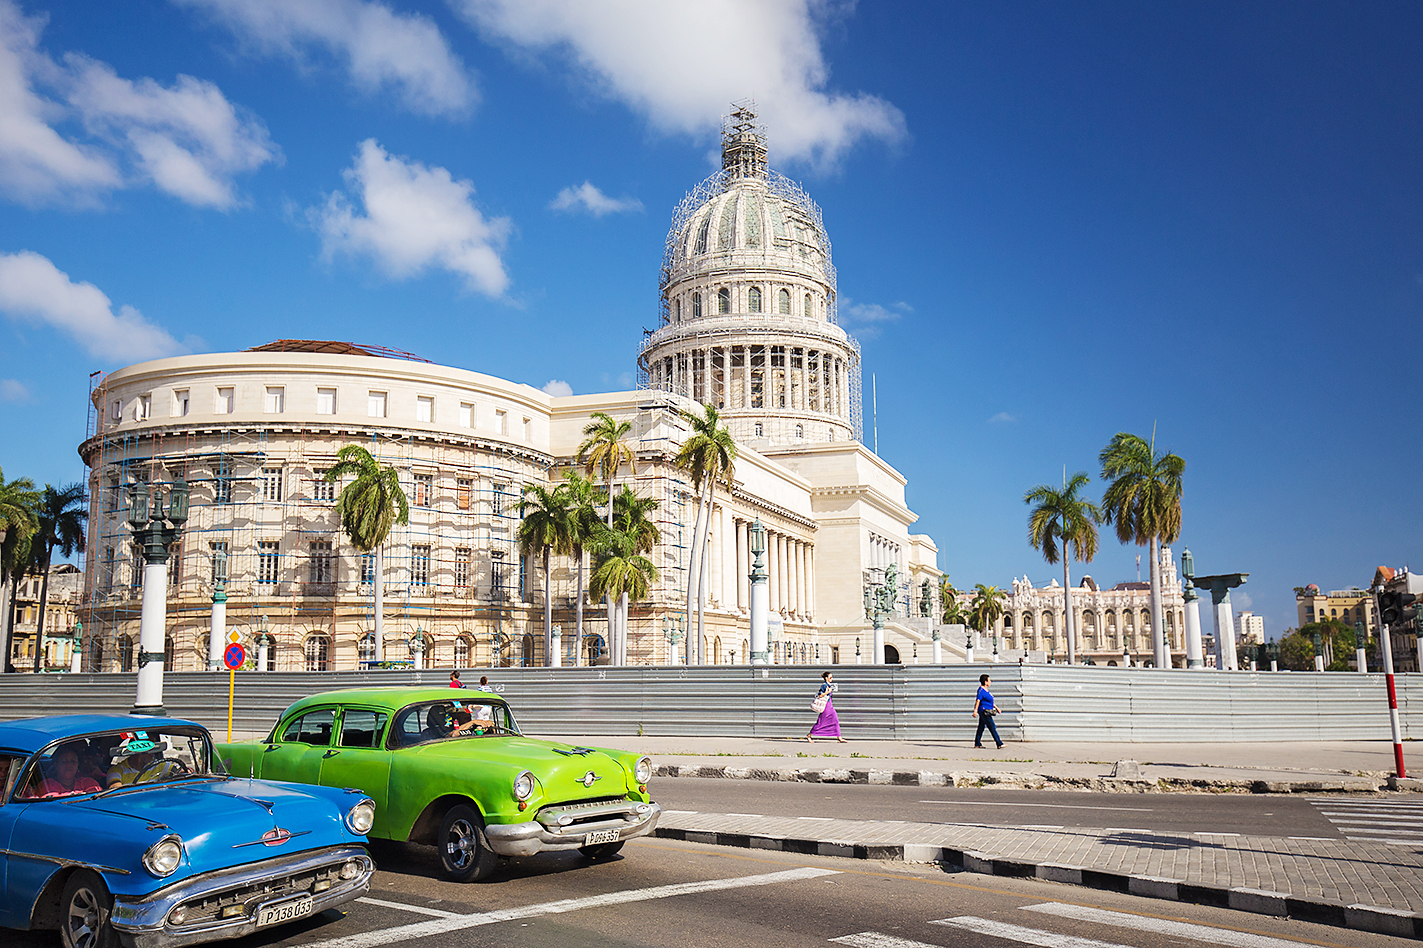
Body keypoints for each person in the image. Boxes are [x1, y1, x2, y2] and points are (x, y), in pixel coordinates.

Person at [806, 671, 846, 743]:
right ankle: (809, 735)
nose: (832, 678)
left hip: (830, 705)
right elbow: (820, 695)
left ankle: (839, 737)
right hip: (826, 706)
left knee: (835, 720)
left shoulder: (829, 685)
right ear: (826, 678)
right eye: (830, 677)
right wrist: (828, 692)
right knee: (821, 722)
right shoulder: (824, 685)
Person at [972, 673, 1004, 749]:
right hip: (984, 711)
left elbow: (990, 702)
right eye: (989, 680)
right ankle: (999, 743)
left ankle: (977, 743)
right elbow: (978, 701)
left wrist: (997, 708)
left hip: (988, 710)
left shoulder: (986, 691)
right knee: (992, 726)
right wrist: (975, 710)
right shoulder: (981, 690)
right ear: (985, 682)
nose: (990, 682)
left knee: (981, 727)